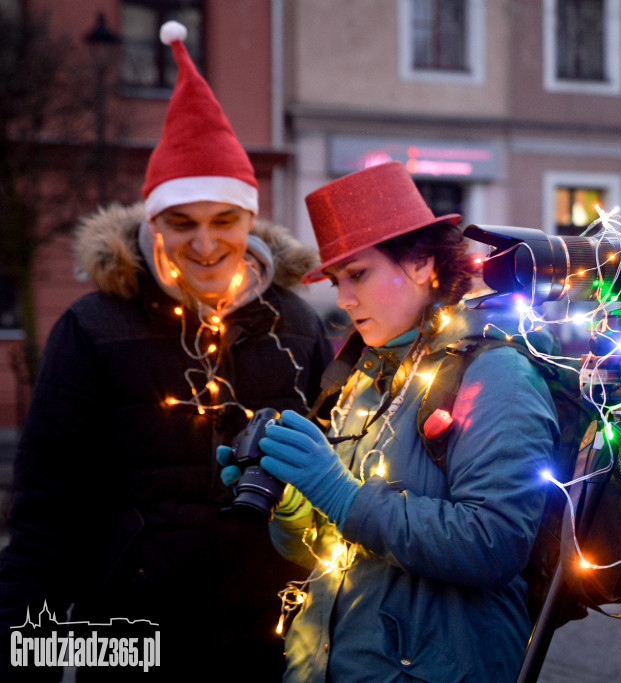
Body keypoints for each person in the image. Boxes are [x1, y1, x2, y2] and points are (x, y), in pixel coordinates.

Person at [0, 21, 332, 681]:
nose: (205, 245)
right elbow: (46, 514)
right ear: (154, 225)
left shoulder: (296, 324)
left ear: (250, 221)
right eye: (182, 223)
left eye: (223, 221)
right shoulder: (94, 328)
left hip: (273, 645)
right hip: (132, 643)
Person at [225, 161, 559, 682]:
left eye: (358, 274)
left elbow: (495, 543)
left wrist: (343, 496)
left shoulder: (495, 371)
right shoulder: (361, 378)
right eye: (336, 281)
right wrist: (292, 505)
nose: (343, 299)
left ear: (424, 262)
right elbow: (325, 552)